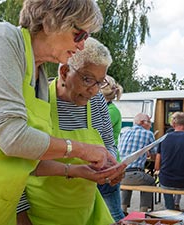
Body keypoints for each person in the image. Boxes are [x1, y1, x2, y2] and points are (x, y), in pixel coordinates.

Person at [0, 1, 113, 224]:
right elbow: (12, 138)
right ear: (52, 22)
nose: (81, 46)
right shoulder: (2, 39)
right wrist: (81, 149)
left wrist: (77, 170)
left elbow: (27, 161)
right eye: (79, 35)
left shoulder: (38, 76)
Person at [17, 37, 127, 225]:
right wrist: (21, 215)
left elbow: (109, 142)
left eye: (100, 82)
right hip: (40, 215)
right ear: (65, 71)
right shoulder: (38, 98)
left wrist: (111, 165)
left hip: (87, 213)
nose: (93, 91)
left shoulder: (98, 102)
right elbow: (17, 164)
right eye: (87, 79)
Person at [98, 75, 125, 221]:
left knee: (114, 213)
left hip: (109, 165)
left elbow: (96, 133)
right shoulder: (111, 109)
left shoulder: (111, 111)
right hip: (105, 163)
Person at [119, 113, 157, 213]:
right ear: (141, 122)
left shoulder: (125, 132)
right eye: (149, 122)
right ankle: (143, 210)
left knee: (128, 178)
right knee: (150, 181)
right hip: (135, 174)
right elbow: (154, 155)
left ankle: (123, 209)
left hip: (120, 175)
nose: (151, 125)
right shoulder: (148, 134)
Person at [155, 112, 184, 210]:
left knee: (165, 183)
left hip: (167, 181)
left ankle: (170, 209)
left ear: (173, 124)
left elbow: (157, 166)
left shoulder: (164, 137)